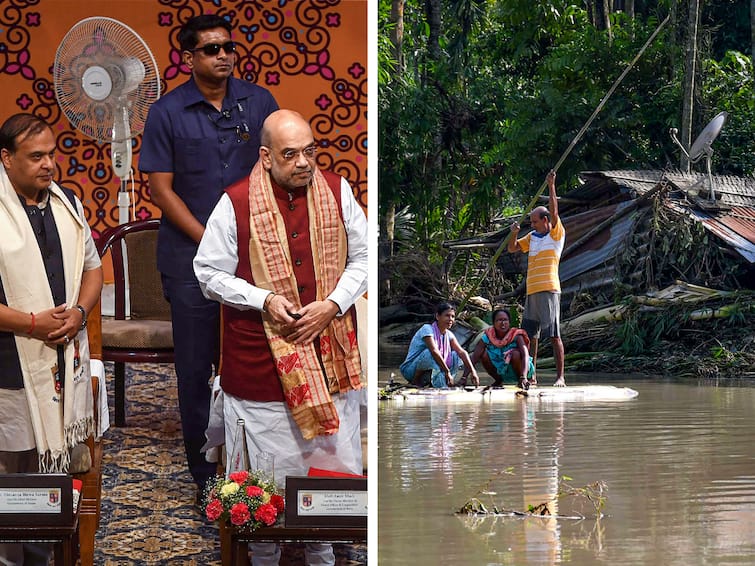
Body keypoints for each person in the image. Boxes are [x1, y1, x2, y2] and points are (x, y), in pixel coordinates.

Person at [194, 109, 367, 566]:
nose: (304, 162)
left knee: (325, 469)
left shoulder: (337, 191)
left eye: (310, 151)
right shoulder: (234, 202)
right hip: (261, 367)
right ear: (266, 157)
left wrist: (332, 304)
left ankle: (321, 549)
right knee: (266, 479)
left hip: (330, 359)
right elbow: (207, 273)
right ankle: (264, 553)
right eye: (291, 154)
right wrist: (263, 299)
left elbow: (365, 258)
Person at [139, 14, 278, 497]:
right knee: (196, 369)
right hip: (188, 261)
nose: (223, 56)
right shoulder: (168, 112)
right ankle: (206, 479)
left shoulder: (259, 103)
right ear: (190, 57)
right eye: (212, 49)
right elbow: (161, 190)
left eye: (228, 47)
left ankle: (257, 463)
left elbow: (274, 171)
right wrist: (210, 241)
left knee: (254, 361)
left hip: (254, 262)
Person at [0, 113, 103, 565]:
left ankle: (47, 554)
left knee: (54, 466)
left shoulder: (68, 204)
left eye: (51, 154)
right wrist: (28, 323)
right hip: (9, 361)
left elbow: (94, 269)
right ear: (6, 159)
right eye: (35, 156)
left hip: (64, 355)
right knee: (13, 466)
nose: (49, 165)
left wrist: (80, 312)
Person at [507, 170, 566, 387]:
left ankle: (560, 377)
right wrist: (514, 232)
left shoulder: (556, 234)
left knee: (553, 335)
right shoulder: (532, 237)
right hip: (532, 291)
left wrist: (551, 185)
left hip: (549, 289)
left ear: (545, 220)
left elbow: (555, 210)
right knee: (530, 336)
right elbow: (512, 248)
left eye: (534, 222)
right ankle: (531, 375)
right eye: (530, 222)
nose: (531, 225)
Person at [399, 303, 479, 388]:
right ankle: (415, 381)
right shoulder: (427, 329)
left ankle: (443, 381)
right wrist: (447, 372)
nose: (450, 319)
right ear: (437, 316)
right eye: (447, 316)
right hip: (410, 371)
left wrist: (473, 371)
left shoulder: (449, 334)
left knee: (456, 355)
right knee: (430, 353)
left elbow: (461, 352)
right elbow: (434, 351)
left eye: (452, 316)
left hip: (431, 372)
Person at [465, 308, 535, 389]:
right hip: (500, 372)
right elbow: (474, 357)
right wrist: (464, 377)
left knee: (516, 354)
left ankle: (521, 380)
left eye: (505, 320)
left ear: (509, 322)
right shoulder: (488, 336)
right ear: (494, 323)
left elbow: (525, 355)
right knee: (484, 354)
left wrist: (524, 377)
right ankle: (499, 381)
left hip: (522, 372)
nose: (503, 323)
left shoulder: (517, 335)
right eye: (499, 320)